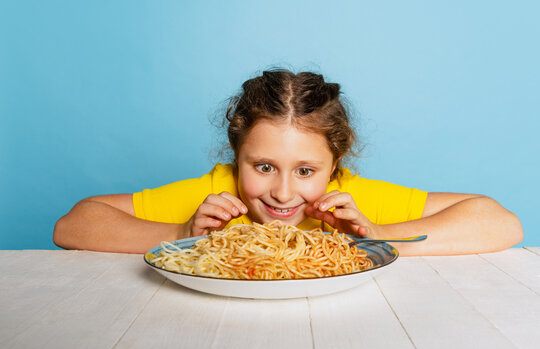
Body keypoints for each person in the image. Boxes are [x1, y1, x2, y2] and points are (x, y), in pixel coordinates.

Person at [53, 69, 523, 255]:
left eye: (305, 171)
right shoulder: (214, 198)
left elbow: (499, 222)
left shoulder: (348, 205)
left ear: (334, 165)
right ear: (235, 158)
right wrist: (179, 236)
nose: (282, 193)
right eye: (262, 167)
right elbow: (73, 224)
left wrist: (379, 238)